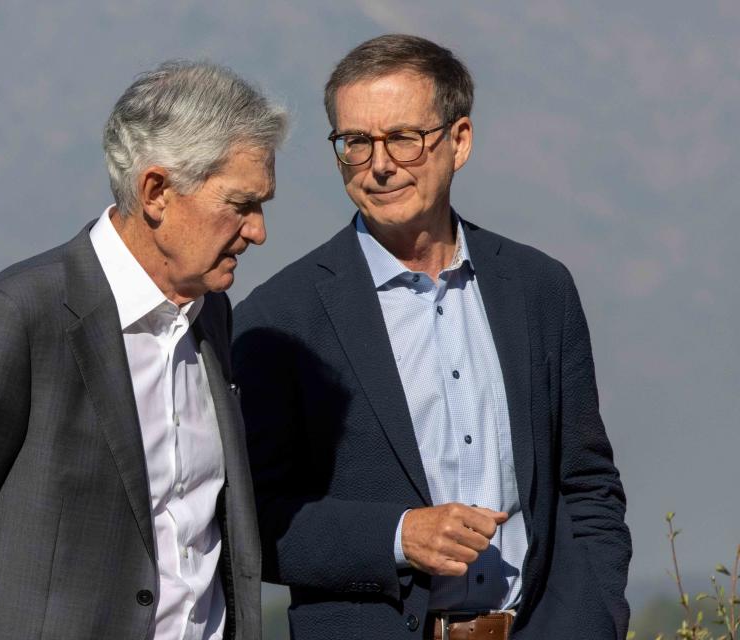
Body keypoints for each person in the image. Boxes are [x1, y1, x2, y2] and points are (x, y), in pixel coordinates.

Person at [232, 34, 630, 640]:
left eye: (403, 138)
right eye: (356, 143)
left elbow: (586, 486)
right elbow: (251, 522)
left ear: (459, 141)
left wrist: (592, 619)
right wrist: (398, 536)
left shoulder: (539, 289)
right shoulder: (281, 317)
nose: (381, 163)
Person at [0, 60, 287, 640]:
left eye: (262, 205)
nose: (258, 231)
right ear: (156, 192)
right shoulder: (15, 318)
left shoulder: (211, 315)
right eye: (240, 204)